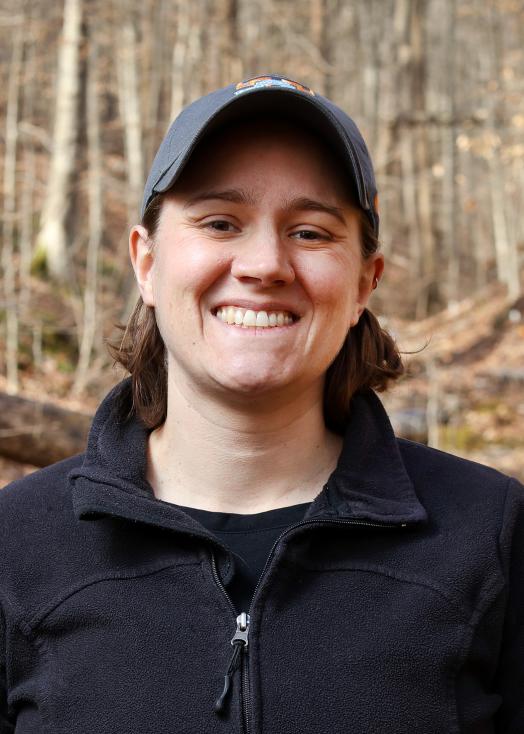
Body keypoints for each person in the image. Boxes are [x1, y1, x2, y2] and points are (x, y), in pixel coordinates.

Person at [1, 74, 523, 734]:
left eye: (310, 232)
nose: (265, 263)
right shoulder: (15, 544)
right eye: (220, 222)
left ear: (365, 281)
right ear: (146, 261)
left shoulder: (489, 534)